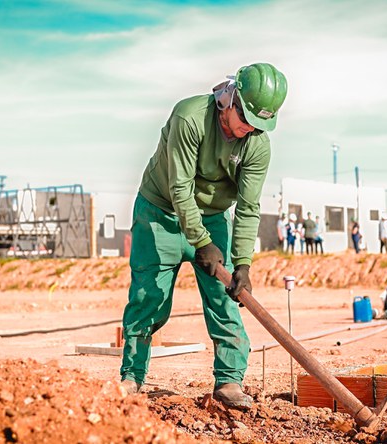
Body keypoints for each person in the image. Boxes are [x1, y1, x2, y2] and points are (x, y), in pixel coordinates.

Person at [119, 63, 288, 410]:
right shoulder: (189, 117)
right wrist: (200, 241)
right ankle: (132, 378)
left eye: (258, 125)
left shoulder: (257, 144)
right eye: (245, 119)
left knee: (225, 299)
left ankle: (229, 380)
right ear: (229, 97)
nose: (248, 130)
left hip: (212, 219)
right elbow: (179, 187)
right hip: (159, 213)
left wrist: (242, 264)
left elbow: (248, 207)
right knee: (147, 298)